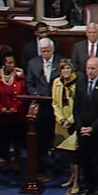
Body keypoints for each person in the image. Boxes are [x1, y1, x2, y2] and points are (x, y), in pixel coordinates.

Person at [73, 57, 98, 195]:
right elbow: (75, 108)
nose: (90, 71)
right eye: (88, 68)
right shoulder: (80, 83)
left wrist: (93, 128)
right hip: (82, 129)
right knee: (85, 160)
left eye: (93, 68)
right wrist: (80, 126)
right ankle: (88, 186)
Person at [26, 38, 63, 167]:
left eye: (48, 50)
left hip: (57, 104)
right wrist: (36, 95)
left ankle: (58, 165)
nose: (45, 53)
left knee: (57, 135)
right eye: (43, 51)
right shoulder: (33, 63)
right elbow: (30, 84)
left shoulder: (61, 62)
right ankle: (41, 164)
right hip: (41, 105)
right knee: (41, 135)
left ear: (53, 50)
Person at [0, 52, 26, 171]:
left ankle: (16, 161)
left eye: (13, 63)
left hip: (17, 114)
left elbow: (24, 94)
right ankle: (6, 160)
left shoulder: (19, 76)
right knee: (3, 139)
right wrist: (1, 108)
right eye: (9, 63)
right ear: (3, 65)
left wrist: (15, 107)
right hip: (1, 114)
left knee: (17, 139)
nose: (12, 65)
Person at [52, 60, 80, 195]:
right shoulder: (57, 82)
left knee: (75, 153)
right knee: (68, 153)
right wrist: (61, 119)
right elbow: (55, 103)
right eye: (63, 68)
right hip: (61, 120)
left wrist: (70, 120)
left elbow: (80, 105)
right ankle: (72, 176)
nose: (66, 70)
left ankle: (77, 181)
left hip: (74, 121)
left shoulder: (78, 83)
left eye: (68, 68)